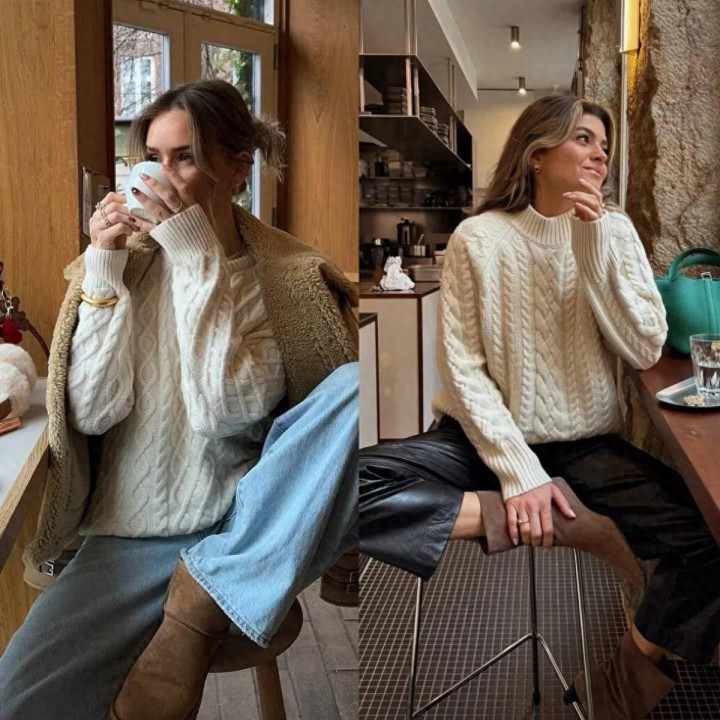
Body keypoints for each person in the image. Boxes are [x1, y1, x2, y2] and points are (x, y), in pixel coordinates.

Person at [0, 79, 358, 720]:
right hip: (130, 537)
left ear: (237, 169)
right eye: (152, 158)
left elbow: (226, 413)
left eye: (184, 157)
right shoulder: (123, 268)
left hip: (246, 528)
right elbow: (92, 413)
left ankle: (205, 596)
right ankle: (200, 602)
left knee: (357, 389)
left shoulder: (289, 280)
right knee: (17, 701)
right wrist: (103, 268)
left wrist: (196, 258)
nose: (162, 175)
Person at [359, 94, 720, 720]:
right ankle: (547, 515)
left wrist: (590, 246)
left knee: (710, 540)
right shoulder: (479, 237)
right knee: (348, 485)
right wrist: (520, 475)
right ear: (536, 153)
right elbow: (464, 369)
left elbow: (643, 346)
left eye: (603, 143)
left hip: (584, 447)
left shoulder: (615, 231)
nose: (599, 153)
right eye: (583, 138)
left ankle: (617, 686)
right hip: (479, 439)